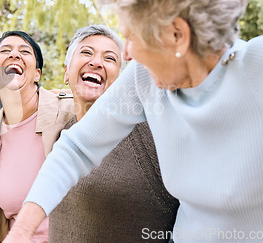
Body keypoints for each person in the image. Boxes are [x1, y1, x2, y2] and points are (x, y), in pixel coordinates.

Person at [4, 0, 263, 242]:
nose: (127, 53)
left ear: (176, 35)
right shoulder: (144, 79)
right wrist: (23, 230)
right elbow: (75, 149)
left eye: (132, 37)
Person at [49, 24, 179, 242]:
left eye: (110, 59)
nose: (96, 62)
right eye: (86, 52)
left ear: (121, 81)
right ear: (66, 71)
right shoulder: (62, 131)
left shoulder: (147, 134)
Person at [0, 31, 75, 243]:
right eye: (5, 50)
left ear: (37, 74)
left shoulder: (69, 110)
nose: (14, 54)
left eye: (24, 51)